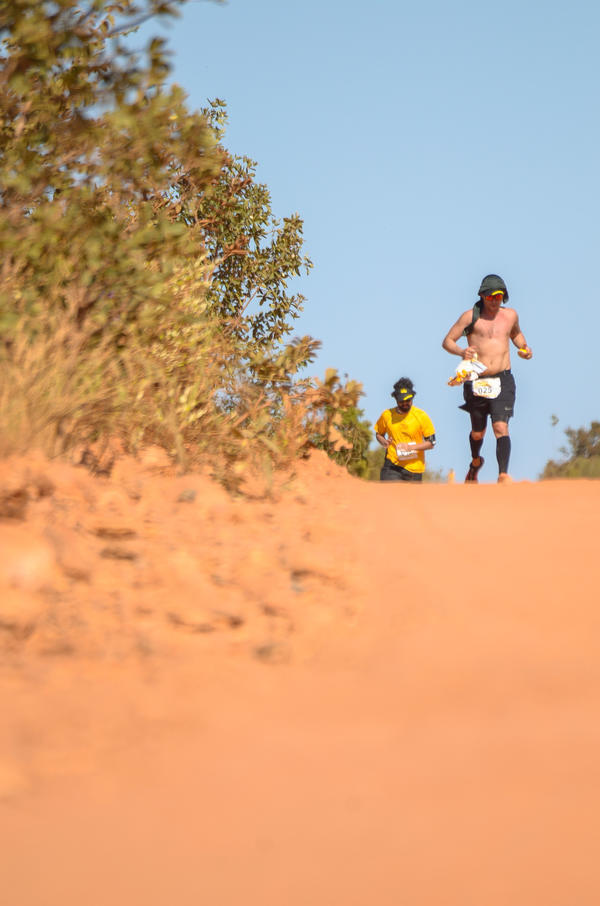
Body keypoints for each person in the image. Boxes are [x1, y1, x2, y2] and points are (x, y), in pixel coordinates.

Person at [442, 273, 532, 483]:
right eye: (491, 296)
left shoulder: (510, 316)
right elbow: (447, 341)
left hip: (503, 379)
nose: (495, 300)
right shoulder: (470, 317)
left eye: (499, 297)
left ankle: (503, 474)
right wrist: (461, 352)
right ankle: (475, 462)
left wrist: (524, 348)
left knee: (501, 427)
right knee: (478, 433)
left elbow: (516, 334)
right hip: (477, 381)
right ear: (482, 295)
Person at [374, 378, 436, 482]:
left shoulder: (421, 416)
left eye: (408, 400)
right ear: (396, 399)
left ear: (412, 398)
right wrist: (384, 442)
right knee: (390, 496)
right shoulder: (387, 415)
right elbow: (378, 434)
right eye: (401, 401)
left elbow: (431, 443)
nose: (405, 403)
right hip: (392, 467)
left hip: (414, 470)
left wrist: (411, 447)